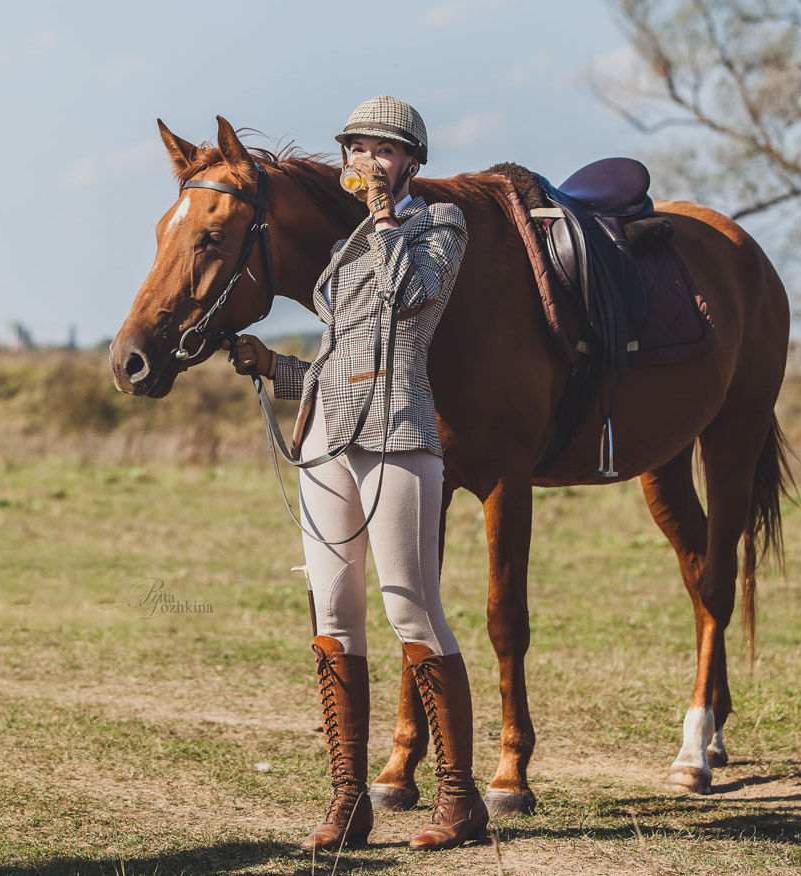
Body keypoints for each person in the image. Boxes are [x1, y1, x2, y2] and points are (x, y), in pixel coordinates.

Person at [228, 95, 487, 853]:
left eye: (381, 149)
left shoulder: (438, 227)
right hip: (327, 442)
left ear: (411, 160)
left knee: (413, 611)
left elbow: (413, 302)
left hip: (401, 438)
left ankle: (459, 798)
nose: (365, 160)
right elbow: (340, 363)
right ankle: (349, 801)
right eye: (356, 148)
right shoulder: (346, 249)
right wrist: (273, 365)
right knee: (334, 621)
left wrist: (380, 216)